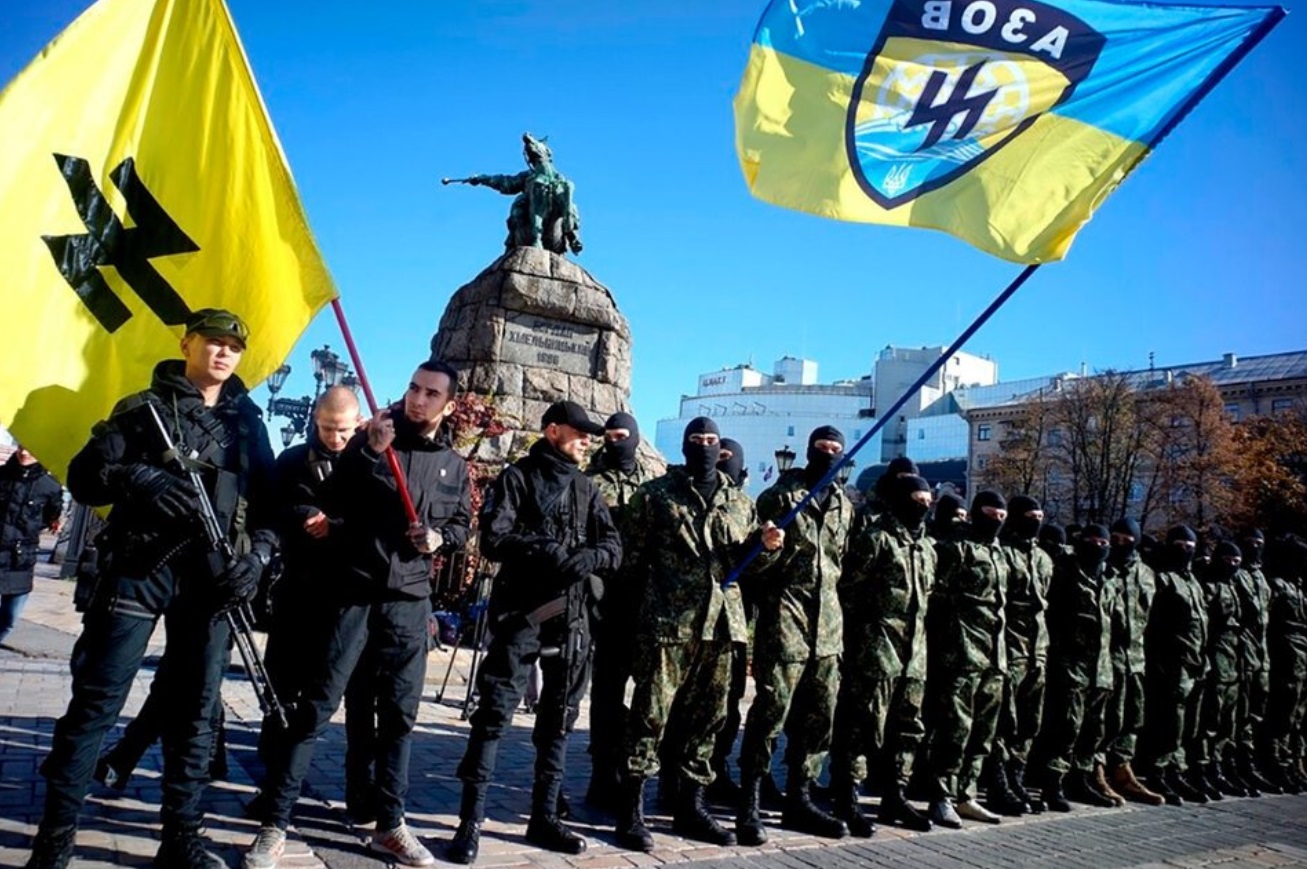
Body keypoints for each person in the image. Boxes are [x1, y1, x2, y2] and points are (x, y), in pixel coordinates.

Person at [26, 308, 276, 869]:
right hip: (140, 569)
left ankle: (181, 837)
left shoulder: (247, 423)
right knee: (96, 704)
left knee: (196, 711)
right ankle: (55, 838)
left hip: (212, 580)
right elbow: (85, 477)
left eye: (233, 347)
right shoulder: (142, 411)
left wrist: (257, 557)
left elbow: (270, 503)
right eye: (212, 342)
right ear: (187, 344)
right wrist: (136, 476)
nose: (222, 354)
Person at [244, 360, 472, 869]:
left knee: (398, 719)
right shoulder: (374, 440)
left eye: (431, 394)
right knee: (314, 707)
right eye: (413, 387)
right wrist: (369, 453)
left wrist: (439, 538)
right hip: (352, 595)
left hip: (409, 605)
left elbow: (460, 525)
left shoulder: (454, 465)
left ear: (448, 404)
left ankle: (390, 824)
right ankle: (274, 824)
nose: (418, 399)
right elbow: (334, 496)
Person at [447, 400, 621, 864]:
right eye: (579, 432)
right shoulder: (517, 478)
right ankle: (470, 821)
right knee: (492, 718)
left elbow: (612, 545)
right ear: (552, 431)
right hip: (523, 615)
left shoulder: (587, 488)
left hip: (574, 619)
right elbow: (494, 538)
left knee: (558, 722)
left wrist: (591, 558)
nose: (587, 440)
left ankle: (544, 816)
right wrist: (545, 550)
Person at [614, 417, 783, 852]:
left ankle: (691, 804)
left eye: (712, 441)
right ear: (686, 446)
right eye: (696, 441)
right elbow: (631, 561)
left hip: (723, 626)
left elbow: (746, 568)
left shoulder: (741, 503)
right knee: (650, 715)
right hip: (669, 624)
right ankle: (631, 810)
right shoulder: (654, 496)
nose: (705, 447)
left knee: (709, 719)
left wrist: (765, 550)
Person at [250, 387, 368, 819]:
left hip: (348, 595)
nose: (335, 438)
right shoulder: (293, 459)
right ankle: (271, 780)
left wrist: (337, 526)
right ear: (315, 421)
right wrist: (301, 514)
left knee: (335, 695)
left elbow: (378, 517)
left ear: (357, 424)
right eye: (327, 429)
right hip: (298, 590)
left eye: (343, 430)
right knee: (281, 689)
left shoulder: (368, 459)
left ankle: (355, 792)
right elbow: (267, 510)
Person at [736, 426, 852, 845]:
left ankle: (800, 797)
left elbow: (843, 567)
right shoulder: (781, 498)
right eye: (822, 449)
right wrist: (767, 549)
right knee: (771, 712)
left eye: (836, 451)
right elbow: (753, 568)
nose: (829, 456)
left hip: (828, 628)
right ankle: (750, 798)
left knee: (819, 717)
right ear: (807, 452)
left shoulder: (843, 504)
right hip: (785, 619)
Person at [829, 473, 936, 836]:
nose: (922, 506)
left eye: (927, 500)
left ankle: (895, 795)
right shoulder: (876, 541)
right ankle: (847, 798)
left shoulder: (927, 548)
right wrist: (860, 641)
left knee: (907, 730)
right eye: (916, 499)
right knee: (861, 727)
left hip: (913, 656)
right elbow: (849, 593)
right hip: (876, 651)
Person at [924, 490, 1009, 827]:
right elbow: (937, 598)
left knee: (983, 731)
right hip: (960, 651)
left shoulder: (998, 552)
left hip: (994, 654)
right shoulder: (954, 548)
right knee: (954, 729)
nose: (997, 521)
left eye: (1002, 517)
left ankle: (966, 794)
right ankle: (941, 796)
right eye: (991, 514)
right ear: (975, 513)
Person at [585, 412, 654, 808]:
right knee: (607, 693)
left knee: (647, 694)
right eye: (609, 436)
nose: (615, 442)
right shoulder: (590, 481)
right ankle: (602, 773)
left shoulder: (653, 484)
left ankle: (635, 770)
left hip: (646, 602)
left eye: (622, 436)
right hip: (606, 600)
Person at [1029, 524, 1121, 811]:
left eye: (1103, 542)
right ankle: (1052, 783)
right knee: (1066, 725)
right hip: (1070, 662)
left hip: (1101, 666)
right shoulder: (1064, 573)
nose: (1098, 546)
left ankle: (1080, 779)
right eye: (1092, 541)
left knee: (1094, 727)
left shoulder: (1110, 577)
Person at [989, 495, 1054, 816]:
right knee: (1006, 718)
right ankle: (999, 781)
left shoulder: (1043, 559)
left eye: (1040, 515)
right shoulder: (1002, 553)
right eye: (1030, 515)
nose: (1036, 520)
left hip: (1037, 648)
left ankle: (1018, 776)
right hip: (1010, 646)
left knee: (1031, 718)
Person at [1137, 525, 1209, 805]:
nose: (1187, 550)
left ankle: (1176, 770)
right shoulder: (1163, 580)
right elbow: (1154, 626)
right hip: (1172, 662)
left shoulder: (1192, 580)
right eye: (1180, 544)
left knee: (1188, 722)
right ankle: (1158, 771)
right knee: (1169, 721)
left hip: (1195, 662)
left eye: (1190, 545)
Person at [1102, 518, 1164, 805]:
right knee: (1105, 718)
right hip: (1106, 657)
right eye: (1115, 537)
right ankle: (1097, 771)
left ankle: (1123, 771)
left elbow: (1150, 619)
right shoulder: (1103, 568)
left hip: (1136, 658)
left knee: (1132, 717)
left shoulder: (1147, 574)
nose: (1120, 544)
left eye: (1127, 539)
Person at [1193, 540, 1245, 799]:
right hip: (1215, 657)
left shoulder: (1234, 585)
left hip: (1233, 658)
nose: (1233, 566)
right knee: (1210, 718)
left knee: (1228, 719)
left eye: (1237, 562)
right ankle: (1201, 767)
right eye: (1228, 560)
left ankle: (1219, 765)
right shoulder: (1209, 586)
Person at [0, 446, 62, 646]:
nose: (24, 453)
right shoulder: (2, 476)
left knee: (9, 618)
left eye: (31, 449)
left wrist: (47, 524)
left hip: (21, 559)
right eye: (20, 447)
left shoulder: (50, 486)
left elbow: (51, 516)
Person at [1233, 528, 1279, 794]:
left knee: (1258, 711)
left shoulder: (1261, 577)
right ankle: (1240, 765)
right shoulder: (1236, 576)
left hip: (1262, 656)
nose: (1254, 547)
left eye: (1258, 543)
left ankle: (1255, 763)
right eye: (1249, 543)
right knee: (1240, 715)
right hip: (1241, 655)